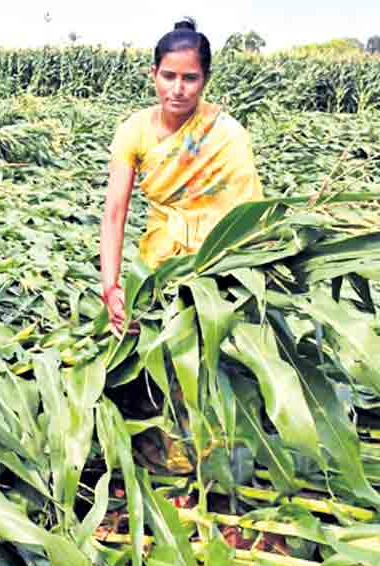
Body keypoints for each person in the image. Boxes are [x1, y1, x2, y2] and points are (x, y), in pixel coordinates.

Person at [99, 19, 263, 336]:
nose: (177, 89)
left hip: (219, 265)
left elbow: (249, 209)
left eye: (190, 78)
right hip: (158, 262)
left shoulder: (226, 133)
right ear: (153, 75)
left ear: (205, 80)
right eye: (168, 76)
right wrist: (111, 287)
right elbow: (114, 214)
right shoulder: (134, 130)